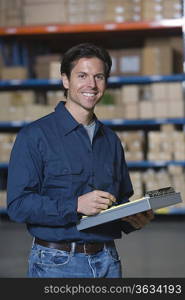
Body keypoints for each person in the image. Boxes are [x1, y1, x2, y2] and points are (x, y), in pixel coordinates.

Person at [7, 43, 154, 278]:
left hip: (108, 261)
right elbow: (18, 206)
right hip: (56, 264)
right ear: (65, 80)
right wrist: (75, 205)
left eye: (99, 76)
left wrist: (132, 220)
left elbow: (119, 200)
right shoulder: (35, 135)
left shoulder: (111, 140)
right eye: (82, 76)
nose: (92, 85)